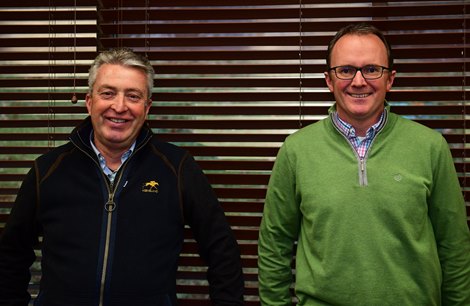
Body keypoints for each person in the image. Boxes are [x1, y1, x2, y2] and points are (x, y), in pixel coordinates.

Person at [0, 48, 244, 306]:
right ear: (89, 101)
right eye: (108, 93)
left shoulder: (178, 168)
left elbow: (222, 251)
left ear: (147, 107)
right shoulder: (47, 170)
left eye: (133, 96)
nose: (119, 106)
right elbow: (11, 257)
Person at [258, 23, 470, 305]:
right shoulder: (296, 149)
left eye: (371, 69)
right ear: (328, 80)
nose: (358, 81)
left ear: (390, 79)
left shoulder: (430, 147)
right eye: (345, 70)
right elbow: (275, 244)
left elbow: (454, 246)